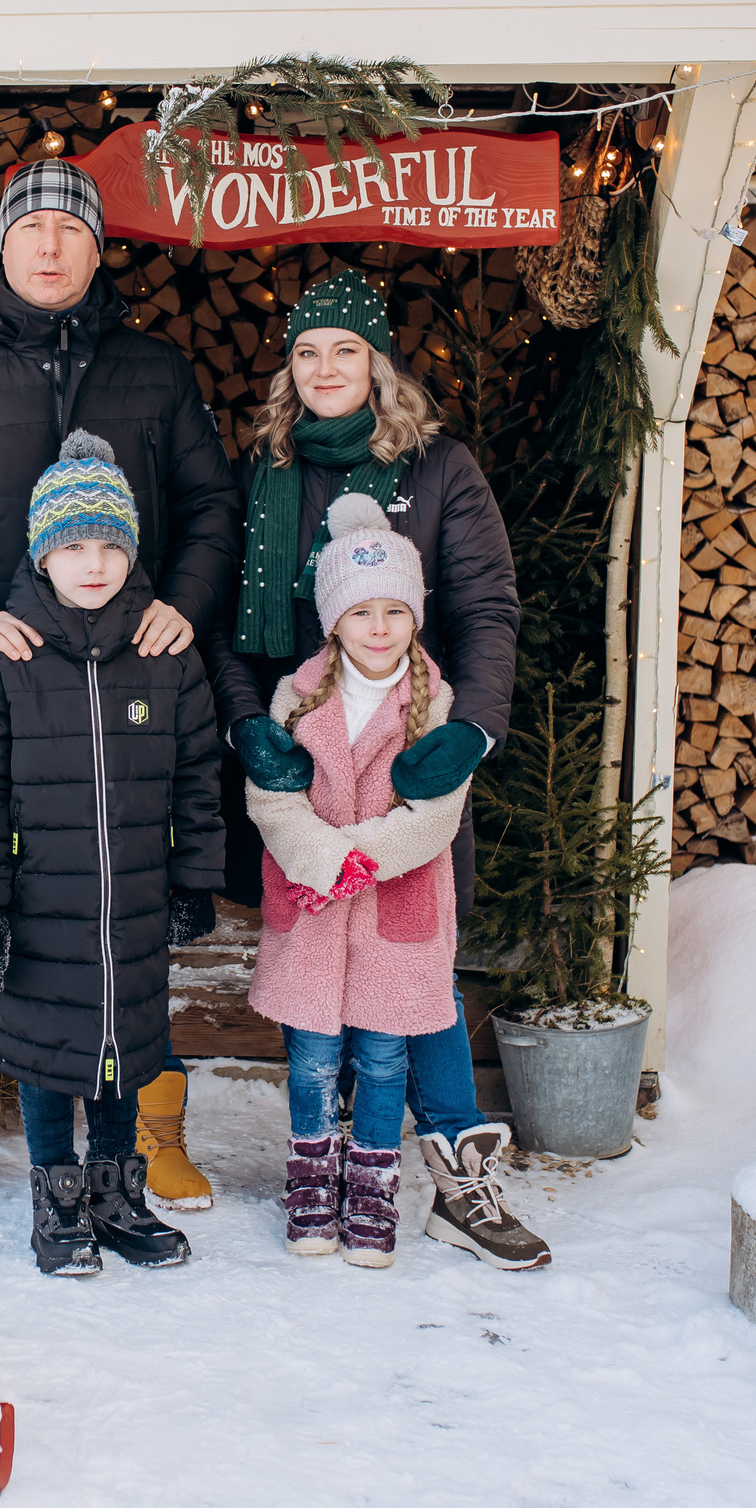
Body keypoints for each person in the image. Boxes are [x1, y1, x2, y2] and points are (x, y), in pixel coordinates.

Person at [0, 159, 240, 1207]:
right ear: (3, 242)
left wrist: (183, 609)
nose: (49, 246)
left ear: (95, 246)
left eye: (69, 230)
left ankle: (150, 1123)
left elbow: (213, 506)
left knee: (128, 902)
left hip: (129, 690)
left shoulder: (152, 372)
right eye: (31, 228)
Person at [207, 269, 545, 1269]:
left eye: (344, 351)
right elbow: (226, 623)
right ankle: (331, 1173)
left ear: (378, 364)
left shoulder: (439, 473)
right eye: (306, 351)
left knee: (411, 977)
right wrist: (243, 726)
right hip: (298, 778)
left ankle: (452, 1182)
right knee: (318, 986)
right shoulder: (258, 472)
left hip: (411, 777)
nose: (323, 370)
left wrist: (470, 732)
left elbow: (486, 608)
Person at [0, 434, 224, 1275]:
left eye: (109, 545)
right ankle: (56, 1193)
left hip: (129, 900)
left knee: (124, 1043)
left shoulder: (165, 653)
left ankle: (115, 1191)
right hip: (39, 901)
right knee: (43, 1050)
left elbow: (198, 771)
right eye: (72, 546)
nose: (92, 564)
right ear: (42, 553)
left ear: (131, 549)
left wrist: (193, 876)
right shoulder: (6, 656)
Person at [244, 495, 520, 1268]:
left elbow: (432, 817)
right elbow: (271, 799)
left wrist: (355, 857)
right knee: (312, 1055)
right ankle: (311, 1182)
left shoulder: (438, 708)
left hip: (394, 909)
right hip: (313, 908)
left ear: (416, 617)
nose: (377, 626)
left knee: (386, 1057)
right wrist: (320, 859)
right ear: (332, 618)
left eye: (394, 609)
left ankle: (372, 1187)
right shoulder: (297, 697)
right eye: (360, 610)